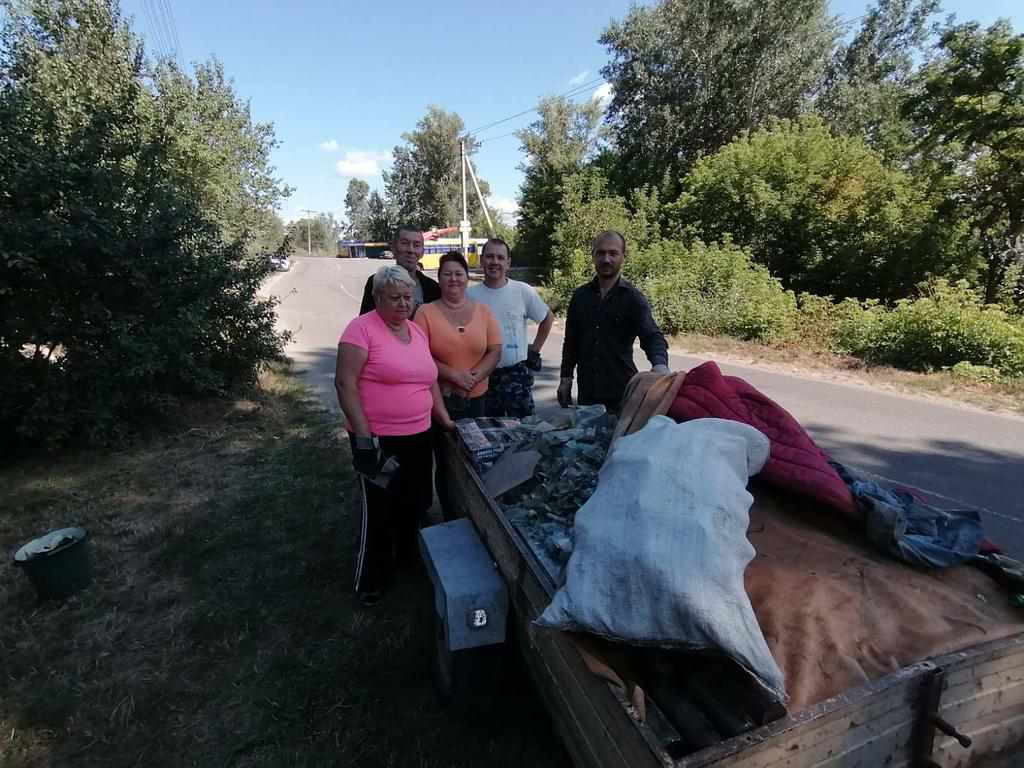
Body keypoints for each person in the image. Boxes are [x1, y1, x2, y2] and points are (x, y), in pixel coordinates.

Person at [336, 265, 455, 607]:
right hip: (379, 439)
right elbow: (344, 383)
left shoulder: (415, 331)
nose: (404, 304)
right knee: (379, 509)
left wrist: (445, 420)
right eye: (395, 298)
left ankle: (406, 559)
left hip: (419, 434)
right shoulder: (360, 329)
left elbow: (429, 380)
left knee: (413, 502)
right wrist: (363, 437)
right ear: (377, 298)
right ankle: (371, 579)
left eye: (408, 297)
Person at [415, 251, 501, 519]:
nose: (453, 278)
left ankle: (475, 516)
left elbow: (495, 350)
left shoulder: (483, 311)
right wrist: (453, 375)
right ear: (439, 278)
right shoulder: (425, 313)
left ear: (466, 277)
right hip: (441, 401)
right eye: (447, 274)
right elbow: (418, 356)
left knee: (478, 459)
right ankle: (451, 516)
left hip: (477, 400)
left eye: (458, 273)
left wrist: (474, 375)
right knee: (446, 462)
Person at [558, 231, 670, 412]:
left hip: (622, 396)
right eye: (601, 253)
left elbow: (652, 336)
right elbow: (571, 342)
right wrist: (566, 378)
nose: (606, 259)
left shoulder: (633, 299)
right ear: (593, 256)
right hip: (587, 394)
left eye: (613, 253)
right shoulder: (580, 297)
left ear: (623, 257)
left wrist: (660, 366)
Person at [467, 237, 554, 418]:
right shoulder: (469, 296)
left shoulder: (522, 291)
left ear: (508, 263)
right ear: (482, 260)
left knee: (526, 429)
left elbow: (547, 318)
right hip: (483, 377)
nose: (495, 262)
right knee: (488, 429)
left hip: (517, 376)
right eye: (490, 256)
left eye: (500, 257)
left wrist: (534, 350)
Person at [359, 226, 441, 316]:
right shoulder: (376, 282)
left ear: (422, 252)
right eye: (405, 243)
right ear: (393, 248)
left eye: (416, 245)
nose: (411, 250)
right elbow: (365, 321)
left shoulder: (433, 288)